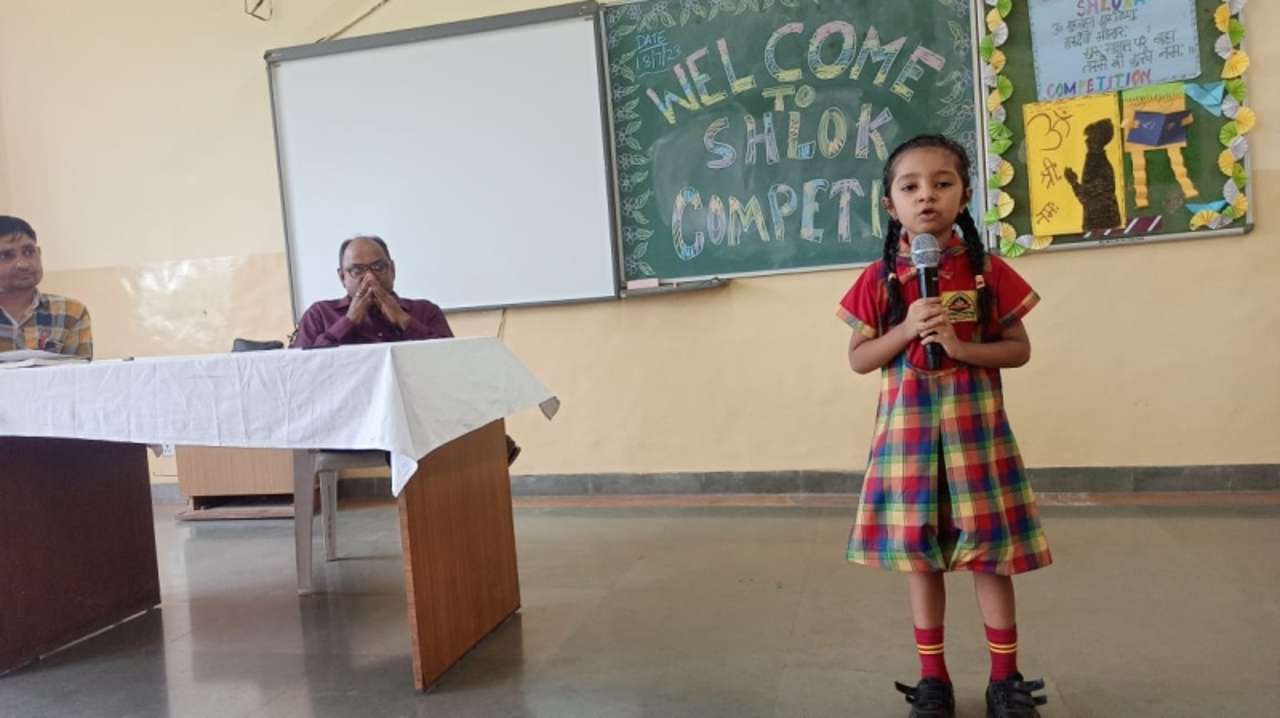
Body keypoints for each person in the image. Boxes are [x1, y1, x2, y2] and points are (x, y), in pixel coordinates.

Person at [836, 136, 1050, 718]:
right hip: (908, 444)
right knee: (922, 558)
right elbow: (859, 359)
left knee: (989, 555)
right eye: (910, 187)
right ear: (890, 204)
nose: (926, 195)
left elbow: (1018, 349)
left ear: (966, 194)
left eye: (942, 183)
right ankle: (934, 680)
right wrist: (906, 330)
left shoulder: (986, 271)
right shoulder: (879, 278)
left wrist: (960, 347)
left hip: (976, 439)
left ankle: (1004, 679)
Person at [293, 235, 520, 464]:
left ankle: (485, 453)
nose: (369, 277)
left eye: (378, 267)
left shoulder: (424, 311)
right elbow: (300, 372)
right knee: (448, 428)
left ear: (392, 270)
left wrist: (403, 319)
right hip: (351, 420)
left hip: (419, 413)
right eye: (357, 270)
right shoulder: (320, 314)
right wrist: (349, 321)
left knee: (466, 392)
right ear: (342, 277)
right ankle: (489, 446)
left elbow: (451, 362)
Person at [0, 215, 93, 358]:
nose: (22, 264)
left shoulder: (70, 313)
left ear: (39, 254)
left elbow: (79, 370)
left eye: (28, 252)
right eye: (6, 256)